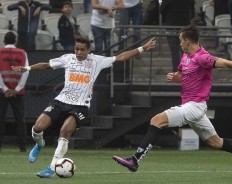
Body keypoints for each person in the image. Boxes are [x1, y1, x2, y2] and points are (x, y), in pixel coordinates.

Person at [112, 24, 232, 179]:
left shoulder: (202, 57)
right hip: (193, 108)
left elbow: (225, 63)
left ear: (187, 41)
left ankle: (135, 160)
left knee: (157, 120)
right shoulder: (185, 56)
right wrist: (176, 78)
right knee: (216, 143)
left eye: (181, 40)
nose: (179, 44)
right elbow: (182, 75)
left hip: (195, 106)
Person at [12, 36, 156, 178]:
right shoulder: (68, 58)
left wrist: (142, 48)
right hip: (61, 101)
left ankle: (51, 168)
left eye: (82, 50)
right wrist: (27, 68)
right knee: (37, 127)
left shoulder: (97, 61)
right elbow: (47, 65)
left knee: (65, 132)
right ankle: (39, 144)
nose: (79, 52)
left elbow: (120, 57)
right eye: (77, 49)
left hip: (80, 105)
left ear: (89, 50)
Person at [0, 31, 29, 152]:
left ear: (4, 41)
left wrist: (5, 89)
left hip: (2, 92)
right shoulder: (22, 53)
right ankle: (22, 147)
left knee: (0, 119)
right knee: (20, 120)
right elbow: (26, 71)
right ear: (15, 41)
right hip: (18, 93)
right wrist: (17, 89)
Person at [160, 0, 195, 71]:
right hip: (185, 25)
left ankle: (176, 71)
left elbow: (162, 9)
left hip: (171, 24)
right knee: (185, 50)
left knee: (174, 51)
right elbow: (192, 10)